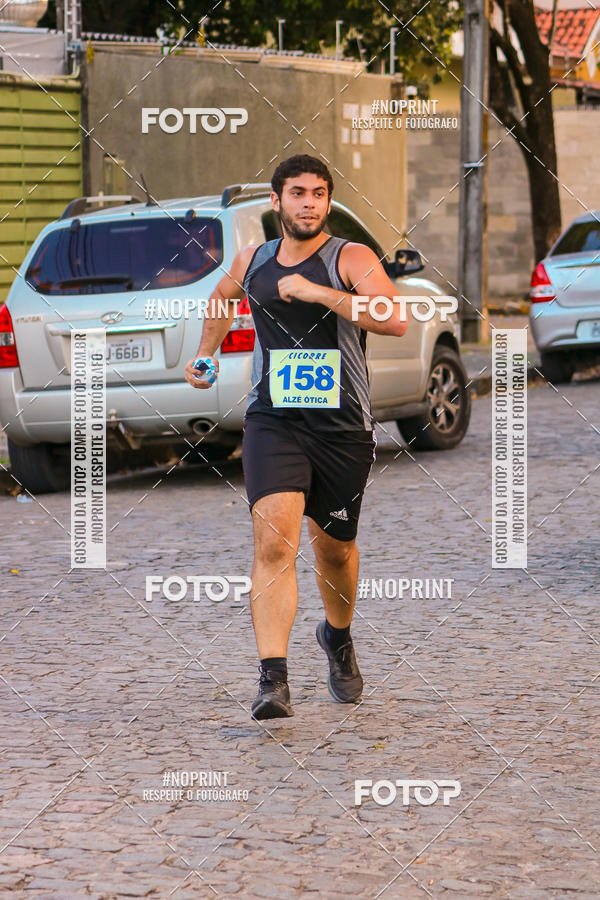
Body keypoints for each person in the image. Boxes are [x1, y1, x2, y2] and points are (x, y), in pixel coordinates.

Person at [185, 154, 407, 719]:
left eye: (319, 193)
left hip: (341, 428)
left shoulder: (348, 256)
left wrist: (319, 294)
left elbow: (393, 316)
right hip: (273, 420)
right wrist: (204, 355)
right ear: (277, 201)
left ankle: (337, 635)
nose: (309, 203)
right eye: (298, 193)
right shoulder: (253, 259)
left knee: (334, 551)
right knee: (274, 544)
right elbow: (220, 298)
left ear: (328, 201)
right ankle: (272, 681)